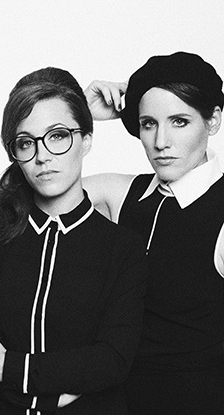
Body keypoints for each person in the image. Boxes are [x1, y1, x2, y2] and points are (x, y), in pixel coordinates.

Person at [0, 67, 147, 414]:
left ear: (86, 140)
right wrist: (52, 393)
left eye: (58, 136)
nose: (42, 156)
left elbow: (111, 361)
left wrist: (10, 369)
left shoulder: (123, 248)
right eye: (26, 143)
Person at [83, 51, 224, 414]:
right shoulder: (123, 194)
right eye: (148, 124)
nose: (161, 141)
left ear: (213, 120)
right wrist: (77, 115)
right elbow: (15, 201)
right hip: (115, 401)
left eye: (179, 122)